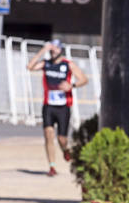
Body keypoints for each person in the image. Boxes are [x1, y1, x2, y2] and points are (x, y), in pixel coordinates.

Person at [26, 39, 89, 176]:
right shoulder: (46, 64)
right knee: (48, 135)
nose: (53, 52)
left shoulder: (68, 64)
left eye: (55, 49)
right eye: (51, 50)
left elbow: (84, 79)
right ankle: (52, 166)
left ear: (61, 50)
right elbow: (30, 67)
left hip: (63, 107)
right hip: (48, 105)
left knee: (62, 139)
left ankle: (66, 150)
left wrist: (71, 86)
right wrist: (42, 51)